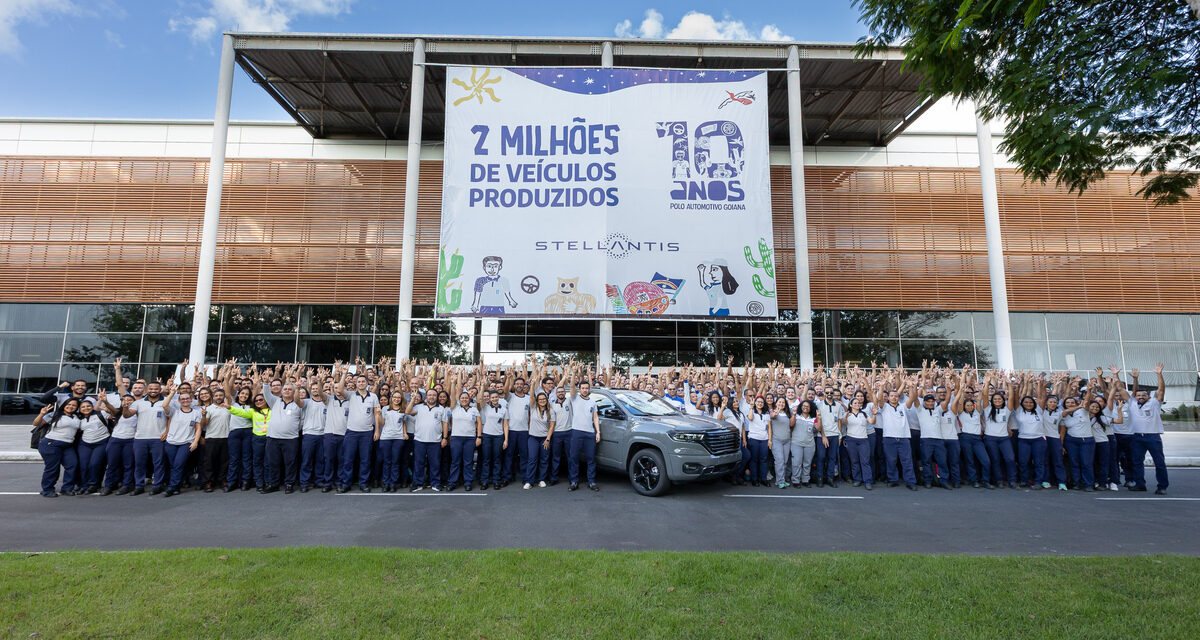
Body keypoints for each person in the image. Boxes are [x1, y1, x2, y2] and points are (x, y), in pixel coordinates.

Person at [1125, 364, 1169, 494]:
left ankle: (1162, 487)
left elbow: (1161, 390)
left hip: (1153, 437)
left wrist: (1159, 374)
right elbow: (1122, 391)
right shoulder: (1132, 403)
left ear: (1148, 396)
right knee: (1137, 462)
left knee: (1159, 462)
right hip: (1137, 437)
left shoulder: (1154, 403)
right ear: (1135, 397)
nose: (1140, 397)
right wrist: (1135, 379)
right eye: (1138, 395)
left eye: (1143, 395)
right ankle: (1140, 484)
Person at [125, 380, 171, 496]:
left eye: (156, 389)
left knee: (158, 463)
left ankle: (157, 485)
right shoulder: (139, 403)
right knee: (139, 463)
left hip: (158, 438)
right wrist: (125, 408)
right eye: (151, 389)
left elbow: (170, 417)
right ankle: (139, 486)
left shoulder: (165, 402)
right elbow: (127, 415)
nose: (153, 391)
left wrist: (167, 431)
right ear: (147, 390)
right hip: (140, 438)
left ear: (160, 390)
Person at [262, 378, 305, 494]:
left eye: (290, 389)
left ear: (294, 392)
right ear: (281, 391)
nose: (286, 391)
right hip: (273, 438)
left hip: (291, 439)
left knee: (290, 462)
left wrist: (293, 430)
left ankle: (289, 483)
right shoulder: (275, 401)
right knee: (273, 462)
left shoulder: (299, 404)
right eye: (285, 389)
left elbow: (302, 421)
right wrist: (266, 383)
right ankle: (274, 484)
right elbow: (266, 393)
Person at [340, 374, 381, 493]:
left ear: (367, 383)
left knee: (365, 459)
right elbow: (340, 389)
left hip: (367, 433)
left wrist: (377, 430)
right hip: (352, 432)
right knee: (348, 459)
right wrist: (343, 374)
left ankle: (363, 483)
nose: (361, 383)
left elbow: (376, 414)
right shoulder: (351, 395)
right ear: (356, 383)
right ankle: (346, 483)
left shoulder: (373, 396)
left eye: (363, 381)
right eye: (359, 382)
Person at [33, 398, 81, 497]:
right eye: (69, 404)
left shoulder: (76, 417)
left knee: (72, 465)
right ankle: (47, 490)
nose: (71, 406)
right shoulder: (55, 414)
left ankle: (67, 488)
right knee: (53, 468)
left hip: (68, 445)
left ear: (77, 407)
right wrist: (42, 414)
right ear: (64, 405)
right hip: (51, 443)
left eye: (74, 405)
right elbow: (36, 423)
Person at [406, 383, 448, 492]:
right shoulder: (419, 407)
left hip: (435, 441)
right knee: (418, 463)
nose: (432, 397)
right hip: (420, 440)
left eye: (434, 395)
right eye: (429, 395)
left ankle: (435, 483)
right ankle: (418, 483)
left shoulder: (441, 409)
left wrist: (445, 438)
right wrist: (413, 399)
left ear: (437, 397)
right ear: (426, 397)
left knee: (435, 464)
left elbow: (444, 424)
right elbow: (407, 411)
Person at [162, 389, 205, 497]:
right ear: (179, 401)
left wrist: (195, 442)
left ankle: (171, 488)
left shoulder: (196, 412)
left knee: (178, 464)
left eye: (187, 398)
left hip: (186, 443)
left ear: (191, 400)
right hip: (171, 442)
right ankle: (177, 486)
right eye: (182, 399)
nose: (185, 400)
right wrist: (172, 393)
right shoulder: (174, 410)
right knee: (173, 466)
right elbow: (164, 405)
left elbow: (198, 428)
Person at [875, 383, 917, 491]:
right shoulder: (884, 407)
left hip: (904, 438)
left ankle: (910, 481)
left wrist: (912, 387)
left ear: (899, 397)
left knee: (907, 461)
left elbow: (912, 399)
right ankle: (893, 480)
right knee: (891, 460)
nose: (894, 397)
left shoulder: (903, 406)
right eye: (892, 396)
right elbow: (879, 398)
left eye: (896, 396)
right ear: (888, 398)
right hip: (889, 438)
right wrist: (881, 386)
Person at [446, 374, 483, 492]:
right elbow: (453, 395)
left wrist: (479, 437)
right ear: (459, 399)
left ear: (469, 399)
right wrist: (453, 383)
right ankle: (452, 482)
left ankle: (468, 482)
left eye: (466, 398)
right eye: (462, 398)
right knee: (455, 461)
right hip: (456, 438)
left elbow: (479, 423)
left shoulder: (474, 409)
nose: (464, 400)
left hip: (470, 438)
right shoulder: (454, 407)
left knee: (468, 461)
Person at [96, 391, 137, 495]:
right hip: (115, 440)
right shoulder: (118, 412)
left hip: (131, 440)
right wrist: (105, 401)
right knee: (112, 464)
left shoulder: (137, 413)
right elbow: (111, 409)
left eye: (130, 400)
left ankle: (126, 485)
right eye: (124, 400)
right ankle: (108, 485)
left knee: (128, 465)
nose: (127, 402)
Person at [982, 371, 1018, 489]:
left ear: (1003, 400)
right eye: (995, 399)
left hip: (1004, 439)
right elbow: (985, 395)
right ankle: (999, 481)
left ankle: (1012, 481)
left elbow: (1011, 397)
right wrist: (987, 383)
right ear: (992, 401)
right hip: (990, 438)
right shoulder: (987, 409)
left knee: (1010, 459)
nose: (997, 400)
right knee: (995, 460)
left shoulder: (1006, 410)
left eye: (999, 399)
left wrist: (1009, 385)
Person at [567, 369, 601, 491]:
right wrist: (574, 373)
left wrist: (598, 432)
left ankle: (591, 482)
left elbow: (595, 417)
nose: (585, 390)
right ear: (579, 389)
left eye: (587, 388)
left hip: (590, 433)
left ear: (589, 389)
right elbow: (571, 387)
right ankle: (574, 481)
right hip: (576, 431)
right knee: (574, 457)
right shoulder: (574, 398)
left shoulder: (593, 402)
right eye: (583, 388)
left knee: (591, 458)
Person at [1061, 393, 1095, 491]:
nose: (1070, 404)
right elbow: (1062, 432)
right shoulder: (1063, 414)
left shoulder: (1083, 411)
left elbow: (1087, 401)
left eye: (1072, 402)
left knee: (1086, 463)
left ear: (1076, 403)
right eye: (1068, 402)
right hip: (1071, 441)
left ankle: (1088, 484)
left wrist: (1089, 390)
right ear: (1064, 404)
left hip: (1087, 440)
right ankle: (1077, 483)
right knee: (1074, 463)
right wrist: (1061, 445)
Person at [916, 393, 951, 489]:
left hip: (939, 439)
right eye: (928, 401)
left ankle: (944, 481)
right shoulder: (920, 410)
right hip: (926, 439)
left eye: (932, 401)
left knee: (942, 461)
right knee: (926, 461)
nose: (930, 403)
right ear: (924, 402)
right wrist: (913, 386)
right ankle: (928, 481)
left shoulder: (938, 410)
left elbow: (947, 401)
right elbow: (914, 399)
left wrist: (948, 389)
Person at [297, 383, 327, 492]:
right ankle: (304, 483)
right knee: (306, 460)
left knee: (320, 460)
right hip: (309, 434)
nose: (315, 390)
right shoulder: (307, 402)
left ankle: (318, 480)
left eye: (317, 388)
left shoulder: (326, 402)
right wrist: (297, 388)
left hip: (322, 434)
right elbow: (297, 402)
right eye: (313, 389)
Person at [75, 399, 109, 494]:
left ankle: (93, 484)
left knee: (94, 464)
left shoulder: (101, 414)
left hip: (101, 442)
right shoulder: (78, 418)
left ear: (92, 407)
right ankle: (83, 485)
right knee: (83, 465)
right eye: (83, 407)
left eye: (88, 406)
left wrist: (106, 406)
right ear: (79, 409)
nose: (86, 408)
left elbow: (114, 413)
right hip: (85, 443)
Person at [225, 385, 255, 492]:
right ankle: (231, 482)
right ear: (238, 394)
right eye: (242, 393)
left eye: (247, 394)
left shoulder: (251, 406)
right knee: (234, 459)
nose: (244, 396)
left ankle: (246, 481)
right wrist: (228, 376)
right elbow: (227, 392)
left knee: (246, 458)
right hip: (235, 433)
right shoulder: (233, 404)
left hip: (247, 432)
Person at [841, 395, 875, 489]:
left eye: (858, 403)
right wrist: (845, 417)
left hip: (863, 439)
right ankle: (857, 479)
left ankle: (867, 481)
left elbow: (872, 422)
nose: (857, 404)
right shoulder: (847, 414)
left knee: (865, 461)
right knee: (854, 461)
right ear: (851, 405)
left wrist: (875, 414)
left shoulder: (864, 414)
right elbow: (843, 423)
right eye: (855, 403)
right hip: (851, 439)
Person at [201, 387, 231, 492]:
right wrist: (204, 416)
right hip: (211, 438)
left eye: (220, 395)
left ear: (224, 397)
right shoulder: (209, 409)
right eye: (216, 395)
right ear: (213, 397)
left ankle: (222, 481)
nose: (218, 397)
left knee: (224, 462)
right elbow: (204, 425)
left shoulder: (228, 408)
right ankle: (208, 482)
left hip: (225, 438)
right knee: (209, 462)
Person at [378, 390, 409, 492]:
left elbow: (403, 423)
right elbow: (382, 423)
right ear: (391, 398)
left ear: (401, 399)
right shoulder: (385, 409)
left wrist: (404, 433)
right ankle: (386, 483)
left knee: (395, 461)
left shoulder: (403, 410)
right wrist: (378, 415)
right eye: (394, 397)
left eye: (398, 397)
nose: (396, 399)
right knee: (387, 461)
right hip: (386, 438)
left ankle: (393, 483)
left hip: (398, 438)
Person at [478, 390, 508, 490]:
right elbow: (480, 399)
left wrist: (506, 440)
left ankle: (496, 480)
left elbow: (505, 425)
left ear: (498, 397)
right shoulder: (486, 407)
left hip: (499, 436)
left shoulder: (504, 409)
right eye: (492, 397)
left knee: (497, 459)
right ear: (490, 399)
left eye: (496, 397)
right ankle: (485, 481)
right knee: (486, 459)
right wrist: (482, 386)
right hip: (487, 436)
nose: (494, 399)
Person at [526, 391, 554, 489]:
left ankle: (541, 480)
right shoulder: (533, 408)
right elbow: (531, 397)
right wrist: (533, 384)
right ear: (537, 401)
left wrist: (548, 439)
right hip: (533, 438)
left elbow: (551, 426)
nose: (542, 401)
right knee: (532, 459)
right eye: (540, 399)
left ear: (546, 400)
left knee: (544, 460)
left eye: (544, 399)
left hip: (544, 439)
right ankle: (529, 481)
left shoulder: (550, 411)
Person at [791, 399, 822, 488]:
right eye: (804, 406)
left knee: (807, 463)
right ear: (801, 407)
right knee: (797, 463)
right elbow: (791, 424)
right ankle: (796, 480)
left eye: (808, 406)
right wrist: (793, 414)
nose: (805, 407)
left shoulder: (813, 419)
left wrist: (819, 418)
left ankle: (805, 480)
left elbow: (819, 428)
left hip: (809, 444)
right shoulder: (796, 416)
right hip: (796, 443)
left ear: (810, 408)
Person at [743, 395, 772, 487]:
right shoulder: (751, 411)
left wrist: (770, 440)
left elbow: (769, 428)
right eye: (758, 402)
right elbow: (750, 418)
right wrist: (751, 408)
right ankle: (754, 479)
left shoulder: (766, 414)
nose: (760, 403)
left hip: (764, 439)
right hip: (754, 438)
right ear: (755, 403)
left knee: (763, 460)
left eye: (761, 402)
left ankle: (763, 479)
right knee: (754, 460)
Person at [548, 385, 573, 485]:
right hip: (557, 433)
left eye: (562, 392)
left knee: (570, 457)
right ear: (556, 394)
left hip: (569, 432)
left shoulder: (570, 401)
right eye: (559, 392)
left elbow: (573, 390)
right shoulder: (552, 404)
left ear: (565, 393)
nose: (561, 393)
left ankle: (573, 478)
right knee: (556, 457)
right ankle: (554, 478)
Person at [768, 396, 794, 488]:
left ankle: (781, 479)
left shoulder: (788, 413)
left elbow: (791, 425)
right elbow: (772, 416)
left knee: (785, 461)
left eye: (783, 402)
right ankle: (779, 481)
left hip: (787, 440)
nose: (781, 404)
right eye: (779, 402)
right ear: (776, 403)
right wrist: (777, 412)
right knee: (779, 461)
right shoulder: (773, 412)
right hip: (776, 440)